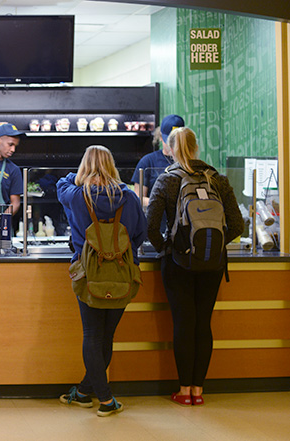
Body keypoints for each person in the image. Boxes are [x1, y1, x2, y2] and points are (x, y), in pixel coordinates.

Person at [146, 127, 244, 406]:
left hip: (178, 264)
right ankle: (199, 391)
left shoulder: (167, 180)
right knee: (203, 324)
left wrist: (167, 248)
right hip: (212, 264)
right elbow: (237, 225)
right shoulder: (218, 179)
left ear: (172, 149)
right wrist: (213, 247)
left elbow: (151, 225)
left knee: (183, 324)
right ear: (196, 147)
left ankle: (184, 390)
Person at [56, 145, 147, 417]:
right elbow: (140, 234)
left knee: (92, 334)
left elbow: (61, 183)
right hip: (122, 272)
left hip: (88, 272)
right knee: (107, 335)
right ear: (112, 165)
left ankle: (103, 398)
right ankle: (86, 391)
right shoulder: (128, 197)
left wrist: (84, 174)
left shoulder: (75, 195)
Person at [131, 114, 185, 207]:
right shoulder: (147, 162)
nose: (171, 145)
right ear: (160, 137)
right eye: (168, 141)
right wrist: (163, 204)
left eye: (175, 141)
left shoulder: (187, 162)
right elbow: (138, 197)